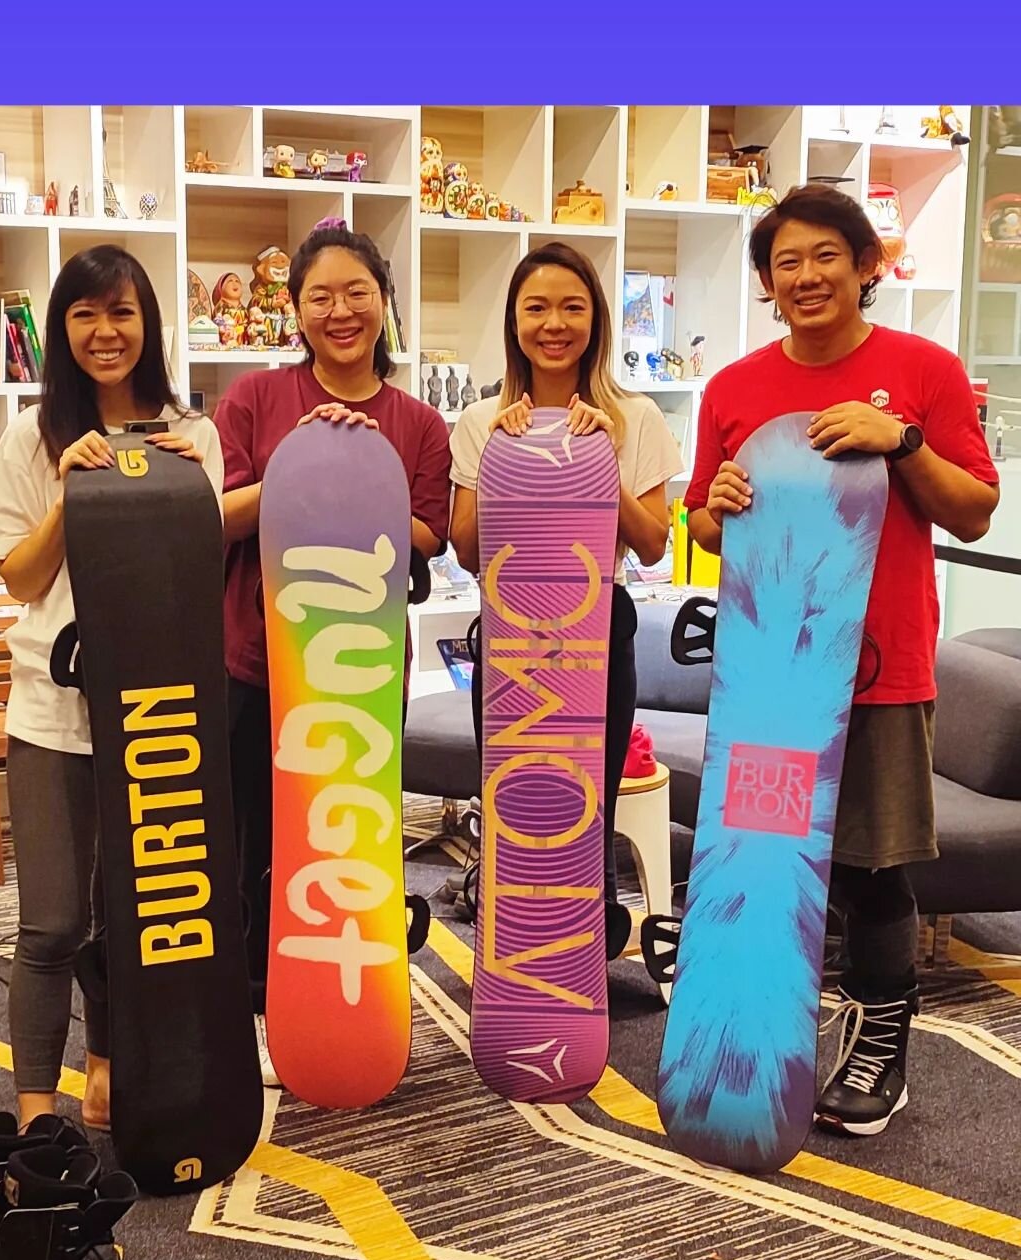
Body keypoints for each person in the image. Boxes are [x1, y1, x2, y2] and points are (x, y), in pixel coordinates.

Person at [685, 183, 1000, 1137]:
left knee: (871, 864)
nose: (808, 275)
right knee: (763, 858)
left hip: (877, 666)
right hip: (767, 674)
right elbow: (699, 521)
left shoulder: (923, 370)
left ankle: (880, 1046)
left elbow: (975, 509)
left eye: (828, 255)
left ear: (867, 266)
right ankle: (760, 1031)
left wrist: (899, 441)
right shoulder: (733, 388)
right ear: (768, 283)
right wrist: (720, 504)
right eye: (788, 262)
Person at [0, 244, 223, 1134]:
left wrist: (177, 490)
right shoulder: (28, 434)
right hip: (55, 711)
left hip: (157, 709)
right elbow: (17, 578)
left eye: (121, 313)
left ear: (148, 323)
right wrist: (68, 492)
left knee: (137, 917)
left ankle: (109, 1065)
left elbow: (198, 575)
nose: (104, 332)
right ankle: (34, 1115)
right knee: (51, 922)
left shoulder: (191, 433)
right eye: (84, 315)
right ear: (61, 329)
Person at [215, 221, 452, 1083]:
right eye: (321, 296)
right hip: (259, 660)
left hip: (360, 671)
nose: (341, 310)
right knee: (253, 841)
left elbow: (428, 534)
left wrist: (362, 470)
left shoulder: (419, 422)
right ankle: (254, 1003)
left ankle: (348, 1002)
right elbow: (221, 514)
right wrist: (303, 466)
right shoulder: (252, 400)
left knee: (350, 840)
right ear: (295, 310)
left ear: (385, 302)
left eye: (358, 293)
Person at [449, 241, 681, 956]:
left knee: (588, 805)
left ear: (597, 319)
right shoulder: (481, 422)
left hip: (597, 629)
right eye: (537, 307)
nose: (555, 323)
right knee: (516, 803)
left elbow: (651, 545)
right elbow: (466, 549)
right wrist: (503, 460)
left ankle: (580, 961)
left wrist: (598, 465)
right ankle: (515, 954)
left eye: (572, 307)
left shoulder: (635, 417)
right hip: (513, 633)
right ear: (514, 321)